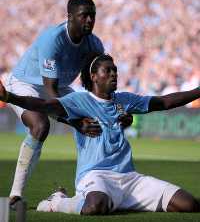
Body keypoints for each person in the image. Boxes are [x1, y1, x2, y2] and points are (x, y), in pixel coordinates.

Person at [1, 53, 199, 214]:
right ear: (94, 76)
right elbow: (43, 104)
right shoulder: (79, 100)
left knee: (189, 204)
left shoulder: (124, 100)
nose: (114, 74)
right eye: (108, 70)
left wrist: (198, 91)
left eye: (115, 70)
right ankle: (57, 202)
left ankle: (116, 201)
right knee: (95, 206)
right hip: (95, 177)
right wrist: (10, 96)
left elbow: (165, 102)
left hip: (129, 178)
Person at [4, 0, 132, 207]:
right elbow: (50, 90)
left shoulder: (94, 44)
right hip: (25, 83)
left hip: (58, 86)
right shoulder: (52, 40)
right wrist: (74, 121)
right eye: (84, 16)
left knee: (93, 122)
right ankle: (16, 194)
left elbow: (101, 90)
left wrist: (117, 111)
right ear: (69, 17)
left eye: (93, 15)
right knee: (40, 125)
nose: (90, 20)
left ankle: (92, 185)